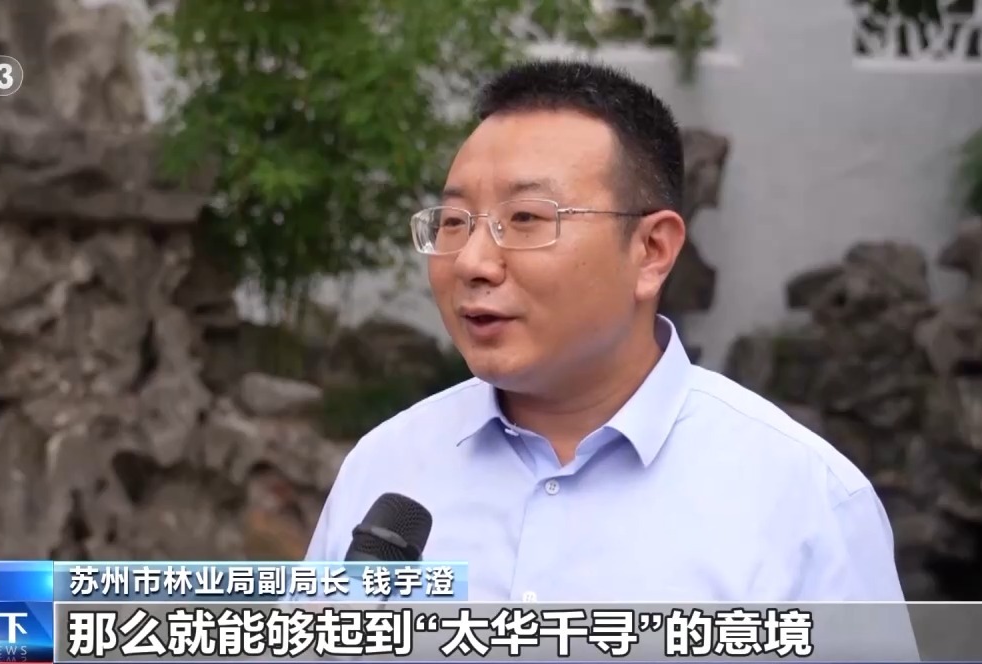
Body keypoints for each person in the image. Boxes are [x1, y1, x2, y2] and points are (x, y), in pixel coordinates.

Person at [304, 59, 908, 603]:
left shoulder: (807, 502)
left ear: (651, 250)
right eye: (455, 221)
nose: (472, 262)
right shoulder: (387, 466)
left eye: (525, 218)